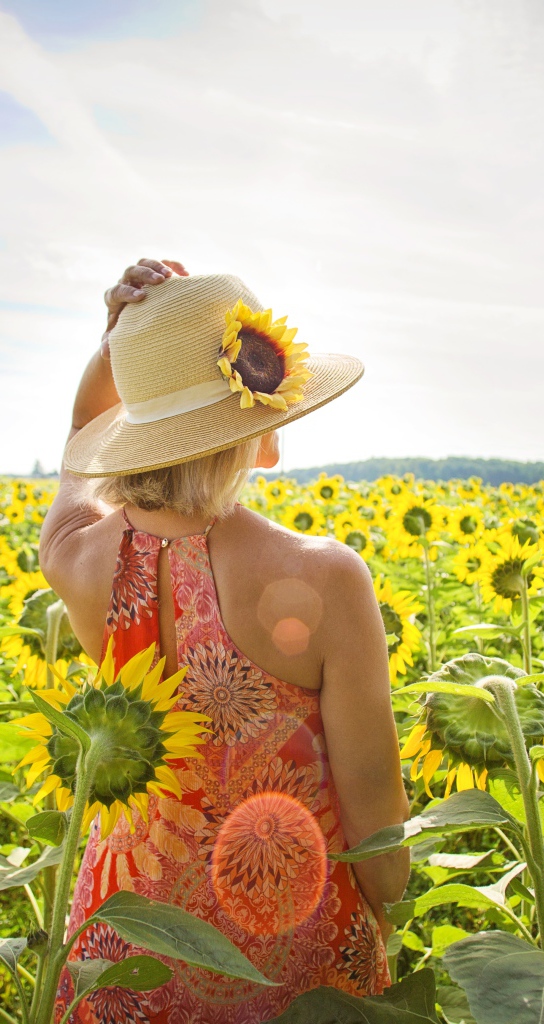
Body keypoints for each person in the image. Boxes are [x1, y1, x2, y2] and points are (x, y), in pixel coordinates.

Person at [40, 258, 410, 1023]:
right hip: (291, 957)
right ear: (260, 431)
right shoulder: (327, 578)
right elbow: (375, 807)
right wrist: (386, 920)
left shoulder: (79, 559)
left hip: (125, 955)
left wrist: (118, 348)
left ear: (132, 431)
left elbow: (80, 442)